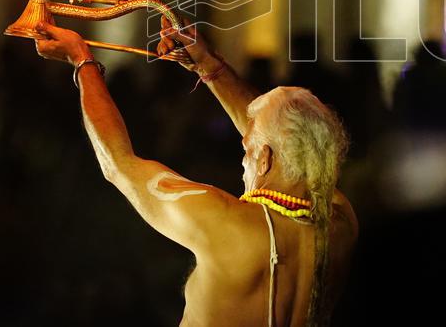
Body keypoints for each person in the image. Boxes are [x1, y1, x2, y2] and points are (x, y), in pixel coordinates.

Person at [33, 17, 357, 327]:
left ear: (264, 159)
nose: (243, 159)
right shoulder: (341, 223)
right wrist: (208, 64)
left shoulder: (223, 222)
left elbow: (118, 163)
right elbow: (283, 143)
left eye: (246, 149)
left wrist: (82, 62)